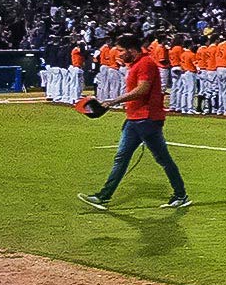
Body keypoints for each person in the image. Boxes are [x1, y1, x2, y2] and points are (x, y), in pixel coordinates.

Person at [78, 33, 190, 210]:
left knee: (162, 159)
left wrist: (114, 101)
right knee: (121, 158)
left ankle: (181, 195)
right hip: (135, 118)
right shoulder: (138, 64)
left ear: (132, 50)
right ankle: (103, 196)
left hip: (147, 119)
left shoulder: (145, 63)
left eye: (121, 51)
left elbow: (143, 90)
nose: (119, 54)